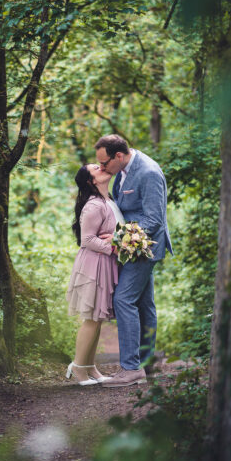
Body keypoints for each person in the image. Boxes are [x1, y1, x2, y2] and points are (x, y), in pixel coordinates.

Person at [95, 134, 173, 388]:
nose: (102, 168)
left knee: (123, 299)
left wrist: (118, 239)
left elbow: (154, 221)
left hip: (145, 247)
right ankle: (147, 362)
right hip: (133, 246)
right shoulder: (123, 167)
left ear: (119, 155)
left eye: (104, 163)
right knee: (143, 303)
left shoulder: (148, 172)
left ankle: (131, 368)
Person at [65, 163, 123, 385]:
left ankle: (90, 366)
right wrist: (114, 247)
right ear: (91, 181)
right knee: (91, 318)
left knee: (97, 318)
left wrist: (119, 240)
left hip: (104, 263)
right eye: (97, 168)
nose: (103, 167)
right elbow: (87, 240)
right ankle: (78, 367)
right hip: (93, 265)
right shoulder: (93, 206)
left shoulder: (108, 201)